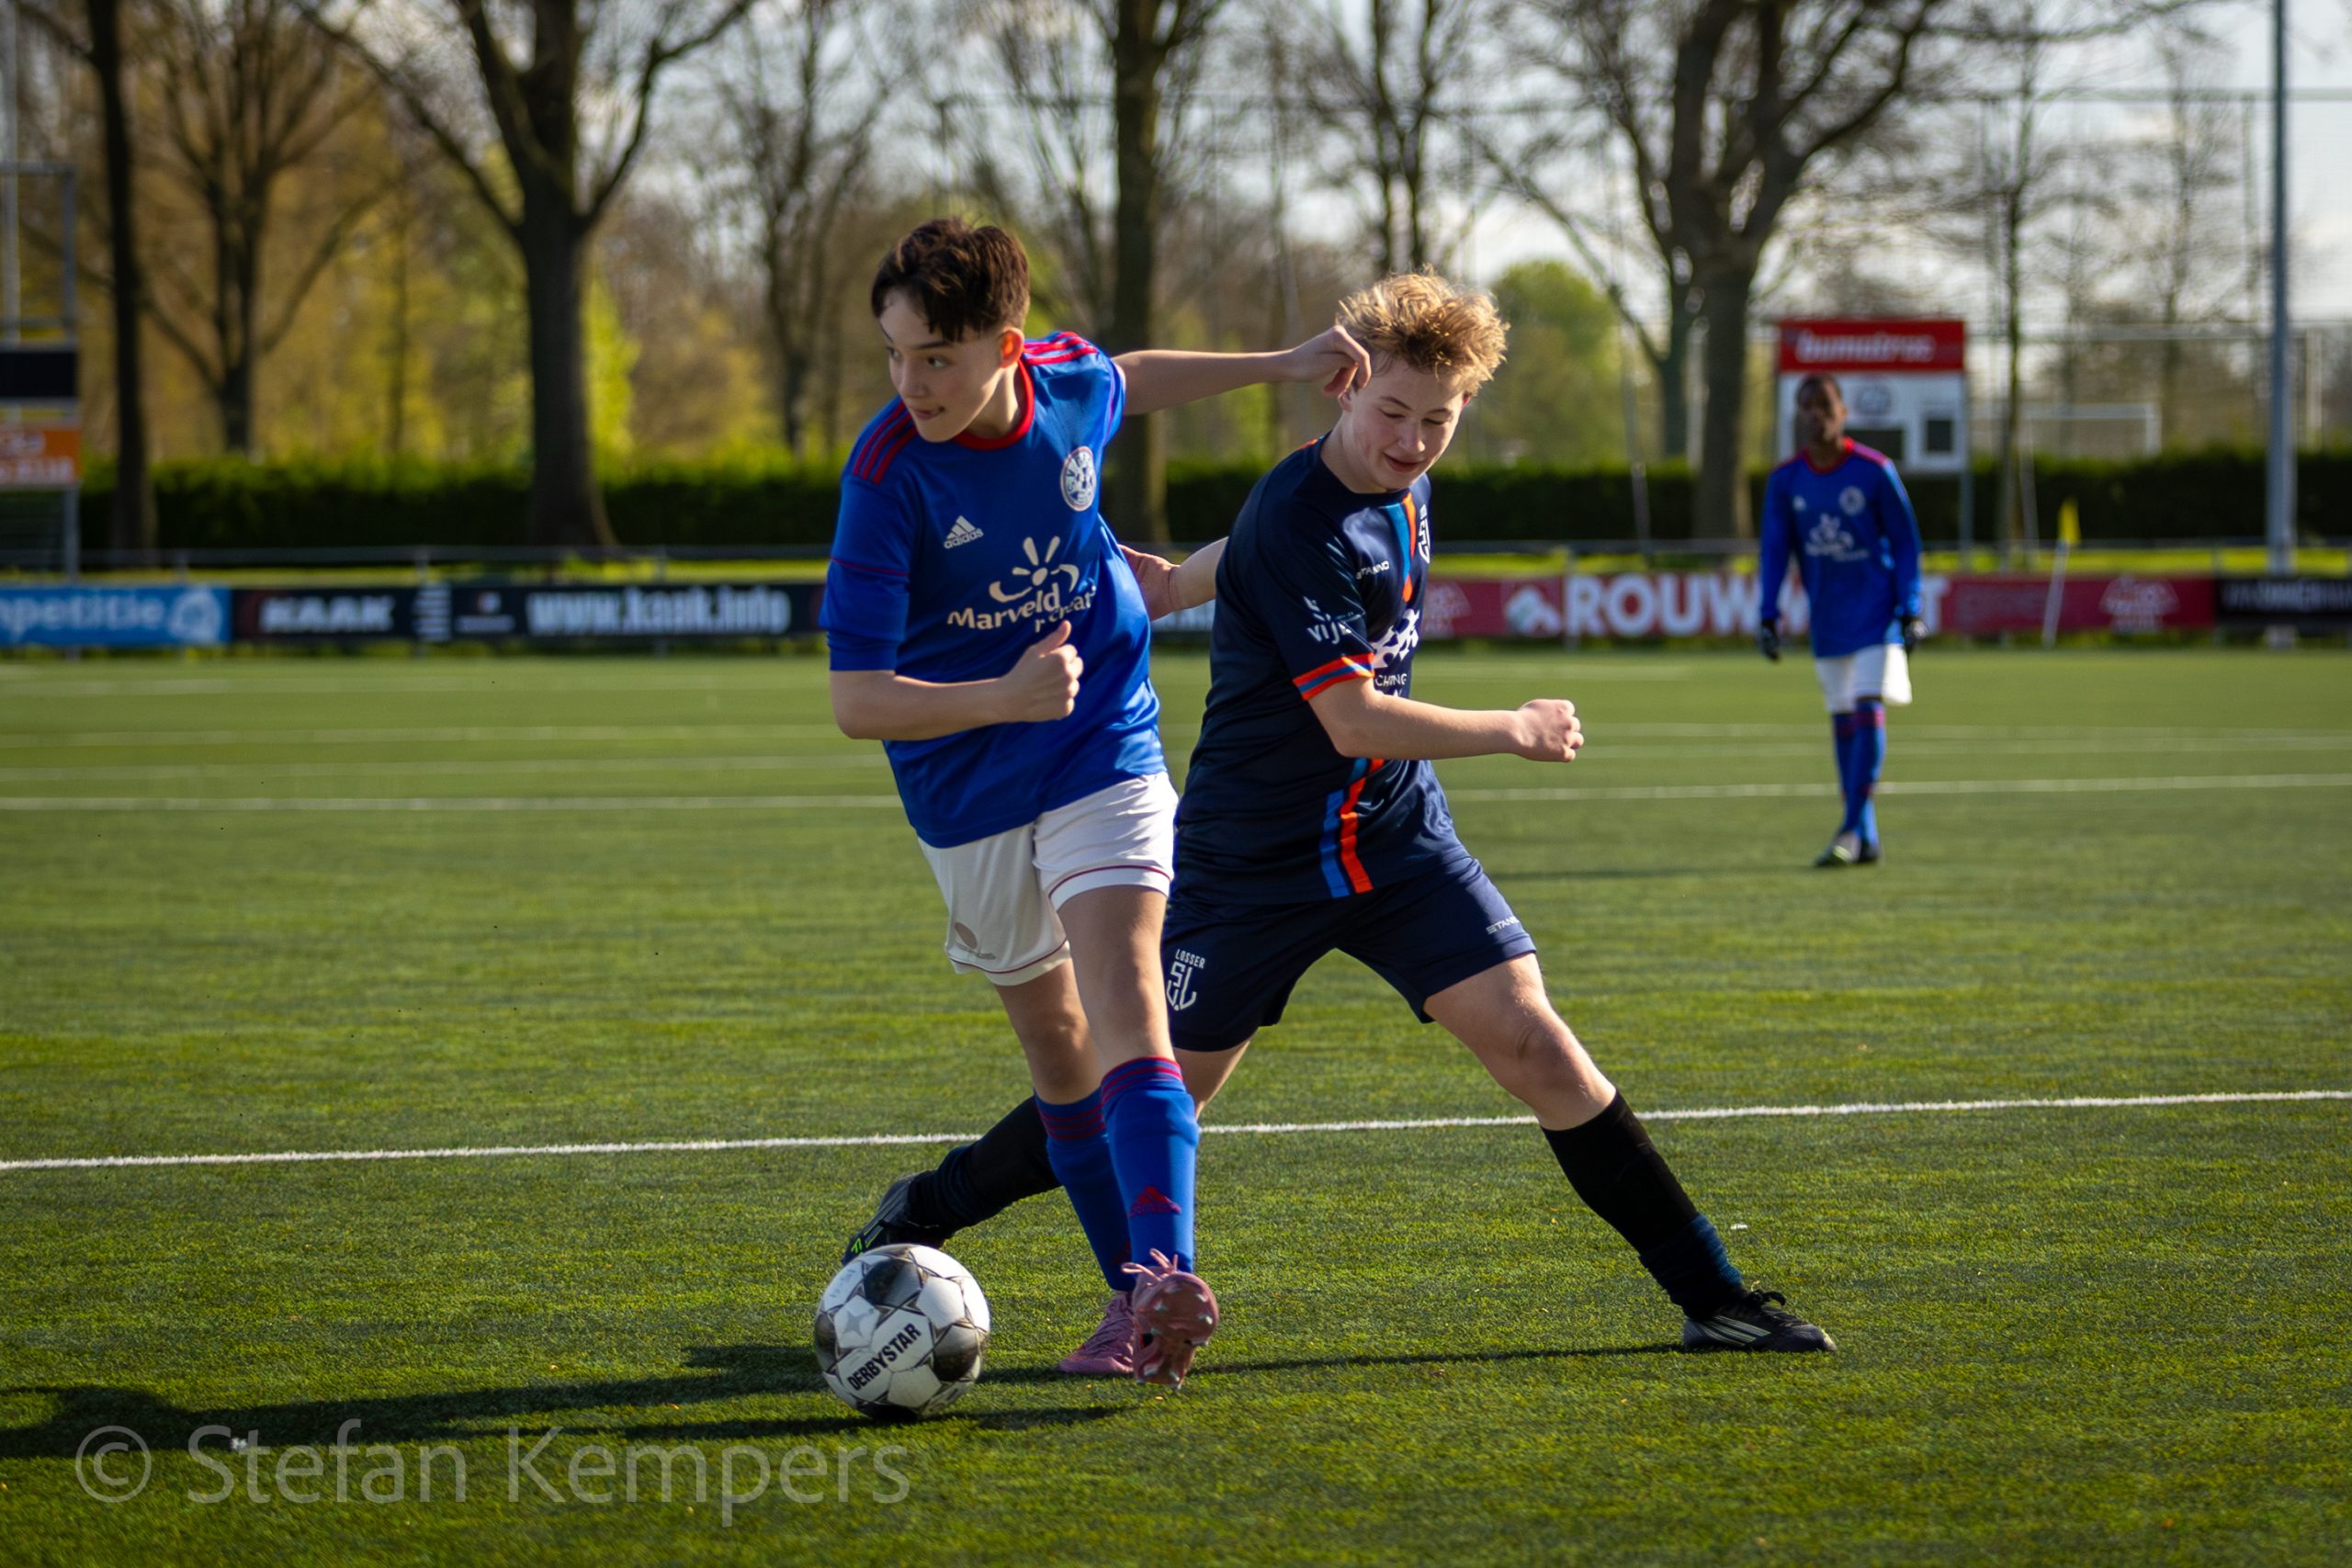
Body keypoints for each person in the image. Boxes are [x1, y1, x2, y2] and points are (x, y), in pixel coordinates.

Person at [851, 271, 1835, 1358]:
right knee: (1141, 1096)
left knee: (1537, 1047)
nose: (1413, 442)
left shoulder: (1397, 485)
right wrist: (1514, 726)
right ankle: (934, 1206)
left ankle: (1715, 1294)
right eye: (1393, 414)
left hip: (1396, 844)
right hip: (1252, 866)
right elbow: (1355, 718)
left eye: (1438, 421)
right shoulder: (1293, 513)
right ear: (1344, 392)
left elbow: (1282, 572)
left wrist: (1181, 584)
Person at [820, 217, 1371, 1386]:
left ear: (1007, 348)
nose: (909, 383)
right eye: (895, 355)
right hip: (966, 791)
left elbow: (1132, 377)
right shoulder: (884, 478)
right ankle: (1133, 1281)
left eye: (935, 359)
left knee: (1127, 996)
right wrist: (1003, 694)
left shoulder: (1065, 381)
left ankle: (1154, 1285)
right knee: (1061, 1060)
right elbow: (858, 701)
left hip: (1102, 741)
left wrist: (1282, 364)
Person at [1756, 373, 1926, 868]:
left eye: (1824, 405)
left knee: (1868, 705)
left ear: (1843, 411)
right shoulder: (1786, 481)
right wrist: (1769, 613)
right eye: (1806, 406)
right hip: (1827, 618)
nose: (1815, 414)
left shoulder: (1874, 471)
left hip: (1879, 615)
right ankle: (1866, 834)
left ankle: (1850, 827)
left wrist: (1911, 607)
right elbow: (1774, 552)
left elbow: (1906, 542)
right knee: (1843, 719)